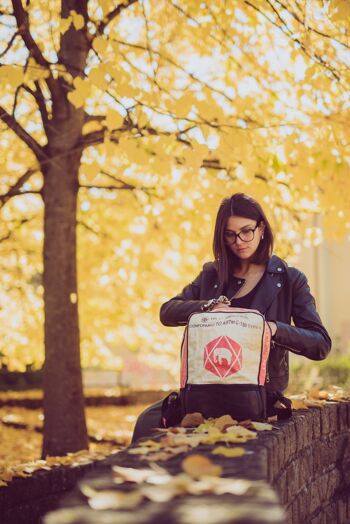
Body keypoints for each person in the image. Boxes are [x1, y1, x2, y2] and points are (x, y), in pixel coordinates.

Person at [132, 193, 331, 442]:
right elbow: (168, 311)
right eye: (230, 234)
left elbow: (320, 344)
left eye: (246, 231)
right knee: (145, 425)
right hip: (203, 394)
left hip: (258, 398)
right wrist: (209, 307)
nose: (239, 241)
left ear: (261, 228)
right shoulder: (211, 275)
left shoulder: (290, 279)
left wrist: (272, 329)